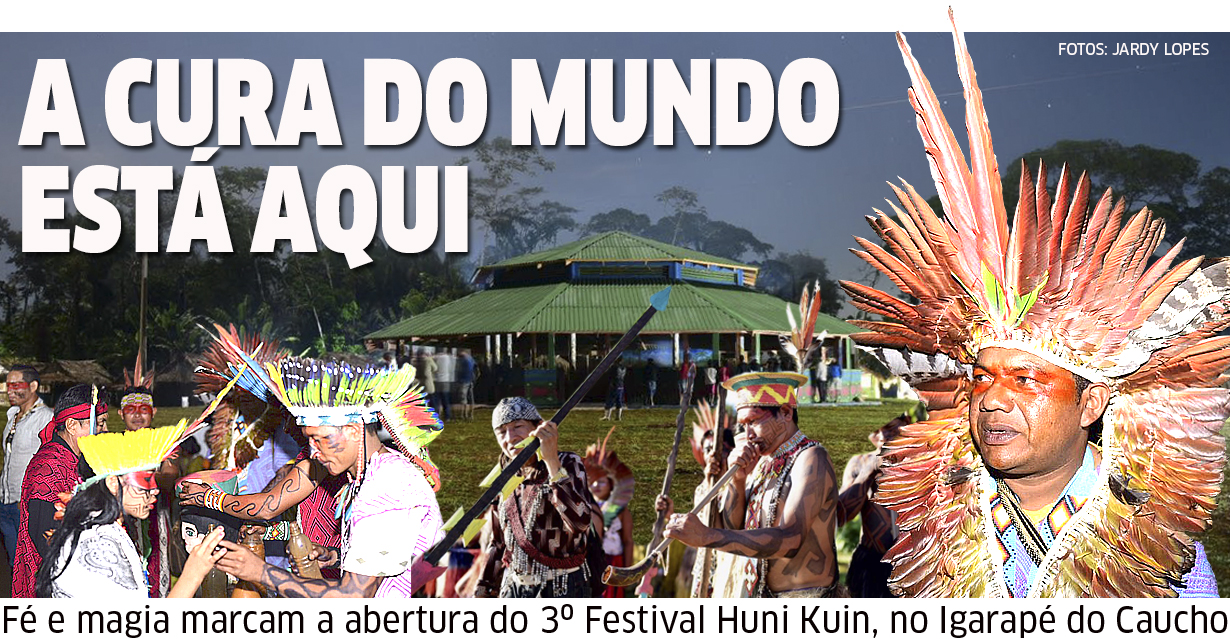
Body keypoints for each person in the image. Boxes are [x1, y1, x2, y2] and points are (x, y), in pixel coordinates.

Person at [844, 18, 1229, 597]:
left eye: (1026, 377)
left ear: (1092, 401)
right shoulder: (931, 533)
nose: (992, 398)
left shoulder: (1160, 560)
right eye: (981, 376)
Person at [212, 357, 445, 597]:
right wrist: (335, 557)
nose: (313, 451)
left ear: (354, 431)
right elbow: (391, 562)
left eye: (319, 439)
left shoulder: (388, 486)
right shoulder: (370, 475)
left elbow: (352, 596)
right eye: (309, 439)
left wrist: (260, 572)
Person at [661, 372, 845, 597]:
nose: (747, 435)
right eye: (742, 425)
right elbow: (733, 529)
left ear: (786, 412)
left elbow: (791, 540)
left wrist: (708, 536)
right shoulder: (759, 462)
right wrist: (737, 481)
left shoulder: (812, 458)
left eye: (754, 421)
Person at [35, 424, 224, 598]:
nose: (155, 489)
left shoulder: (105, 527)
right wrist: (193, 573)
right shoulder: (97, 543)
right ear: (112, 484)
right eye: (145, 481)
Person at [474, 397, 595, 597]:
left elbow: (579, 522)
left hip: (562, 589)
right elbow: (498, 542)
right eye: (501, 432)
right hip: (514, 589)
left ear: (538, 426)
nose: (510, 437)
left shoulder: (568, 462)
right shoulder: (503, 477)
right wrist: (484, 587)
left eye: (517, 426)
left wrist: (551, 461)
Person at [12, 384, 105, 598]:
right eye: (98, 424)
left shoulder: (74, 459)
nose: (103, 431)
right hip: (57, 582)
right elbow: (44, 536)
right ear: (72, 425)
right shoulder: (48, 466)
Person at [118, 384, 180, 597]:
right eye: (130, 409)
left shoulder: (165, 444)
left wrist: (140, 477)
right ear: (120, 414)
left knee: (157, 579)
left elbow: (170, 477)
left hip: (156, 522)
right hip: (121, 522)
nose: (137, 414)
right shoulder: (111, 445)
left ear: (154, 412)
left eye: (144, 408)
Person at [840, 416, 907, 598]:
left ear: (906, 422)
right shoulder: (860, 463)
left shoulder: (926, 461)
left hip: (915, 562)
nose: (883, 435)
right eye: (875, 430)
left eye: (890, 427)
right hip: (871, 566)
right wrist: (868, 471)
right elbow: (840, 516)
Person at [2, 365, 52, 570]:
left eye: (16, 385)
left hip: (28, 503)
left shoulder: (46, 418)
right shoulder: (12, 415)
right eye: (8, 385)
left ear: (33, 386)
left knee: (30, 564)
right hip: (5, 500)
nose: (9, 391)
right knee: (15, 562)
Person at [435, 349, 455, 422]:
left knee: (437, 400)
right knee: (445, 399)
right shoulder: (449, 358)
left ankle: (436, 415)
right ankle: (447, 416)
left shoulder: (436, 357)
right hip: (446, 380)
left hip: (437, 380)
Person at [456, 349, 477, 421]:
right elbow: (476, 370)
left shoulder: (462, 360)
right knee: (471, 398)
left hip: (463, 381)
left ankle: (463, 414)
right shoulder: (471, 359)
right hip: (470, 381)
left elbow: (458, 371)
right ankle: (471, 414)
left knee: (463, 398)